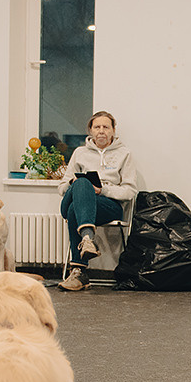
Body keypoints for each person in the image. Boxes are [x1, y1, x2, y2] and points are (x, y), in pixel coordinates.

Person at [57, 111, 138, 292]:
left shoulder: (124, 154)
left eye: (106, 127)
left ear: (113, 131)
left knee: (73, 211)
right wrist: (74, 183)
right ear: (90, 131)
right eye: (97, 127)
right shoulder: (79, 153)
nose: (101, 131)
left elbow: (130, 191)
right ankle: (87, 239)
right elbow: (62, 187)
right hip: (79, 199)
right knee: (81, 184)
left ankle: (78, 271)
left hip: (108, 206)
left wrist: (103, 190)